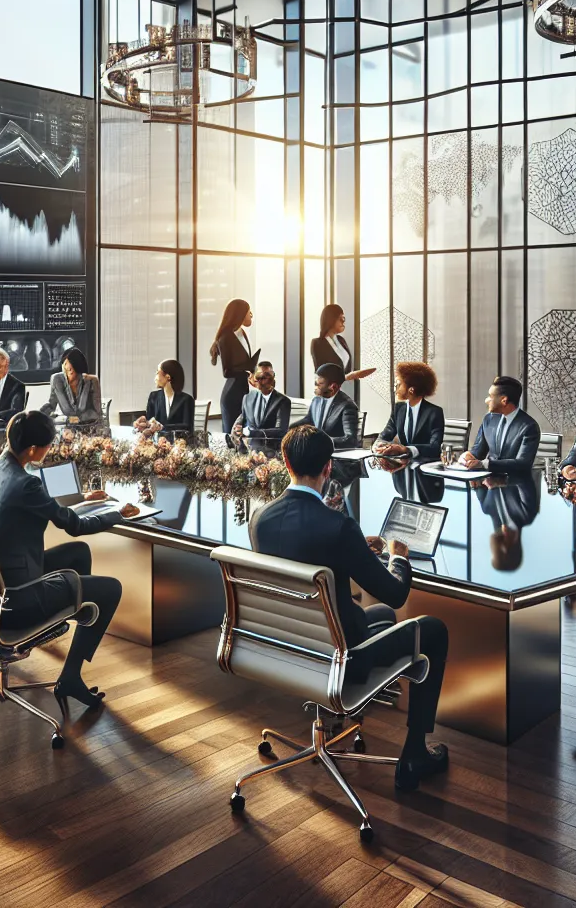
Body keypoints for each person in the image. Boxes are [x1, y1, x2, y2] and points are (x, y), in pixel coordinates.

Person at [249, 425, 451, 791]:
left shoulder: (260, 518)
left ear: (285, 462)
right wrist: (397, 557)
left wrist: (357, 550)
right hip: (342, 658)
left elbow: (304, 549)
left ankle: (340, 709)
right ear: (329, 468)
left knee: (382, 618)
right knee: (433, 629)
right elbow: (395, 593)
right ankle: (415, 752)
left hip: (289, 648)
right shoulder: (338, 526)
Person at [0, 411, 139, 708]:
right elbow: (75, 526)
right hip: (18, 599)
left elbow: (42, 504)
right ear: (33, 450)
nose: (48, 450)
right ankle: (71, 675)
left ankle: (74, 612)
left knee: (79, 553)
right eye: (47, 446)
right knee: (111, 588)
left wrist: (81, 498)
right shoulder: (27, 484)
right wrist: (117, 514)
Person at [460, 375, 538, 473]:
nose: (486, 400)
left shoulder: (529, 427)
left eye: (490, 396)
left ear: (504, 400)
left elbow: (523, 464)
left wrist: (485, 464)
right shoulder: (489, 419)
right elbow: (478, 452)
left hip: (514, 481)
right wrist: (467, 456)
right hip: (488, 480)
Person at [210, 298, 260, 440]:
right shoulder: (225, 337)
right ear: (240, 314)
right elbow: (227, 372)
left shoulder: (242, 333)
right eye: (248, 312)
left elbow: (243, 363)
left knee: (244, 438)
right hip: (232, 395)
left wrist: (252, 371)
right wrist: (247, 372)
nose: (251, 315)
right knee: (233, 438)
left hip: (243, 392)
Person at [372, 361, 444, 460]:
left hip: (424, 464)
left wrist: (407, 450)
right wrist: (379, 445)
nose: (395, 390)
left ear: (411, 390)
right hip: (402, 465)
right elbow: (385, 435)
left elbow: (435, 447)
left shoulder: (434, 412)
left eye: (398, 385)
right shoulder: (398, 409)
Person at [299, 362, 361, 448]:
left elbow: (350, 439)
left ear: (333, 387)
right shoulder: (316, 400)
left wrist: (320, 442)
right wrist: (289, 430)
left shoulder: (347, 406)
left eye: (318, 384)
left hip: (334, 453)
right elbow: (309, 420)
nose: (315, 388)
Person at [310, 303, 375, 383]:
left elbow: (347, 369)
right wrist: (348, 377)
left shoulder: (341, 340)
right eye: (341, 319)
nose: (343, 322)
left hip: (345, 387)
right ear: (331, 319)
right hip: (328, 389)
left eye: (344, 319)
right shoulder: (317, 343)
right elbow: (321, 374)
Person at [40, 347, 102, 428]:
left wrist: (76, 419)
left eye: (70, 370)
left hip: (88, 426)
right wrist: (38, 415)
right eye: (64, 369)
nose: (66, 374)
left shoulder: (91, 381)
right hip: (67, 428)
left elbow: (97, 413)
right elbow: (51, 405)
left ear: (78, 368)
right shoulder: (57, 380)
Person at [232, 360, 291, 445]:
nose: (263, 381)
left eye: (267, 376)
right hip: (248, 447)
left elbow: (280, 431)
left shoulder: (283, 401)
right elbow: (241, 420)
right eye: (260, 377)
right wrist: (236, 432)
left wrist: (250, 432)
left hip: (270, 448)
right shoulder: (248, 398)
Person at [134, 359, 194, 438]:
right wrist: (143, 423)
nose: (155, 378)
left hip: (179, 442)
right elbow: (150, 421)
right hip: (158, 442)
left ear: (168, 377)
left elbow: (187, 427)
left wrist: (162, 427)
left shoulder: (186, 399)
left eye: (157, 373)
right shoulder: (153, 396)